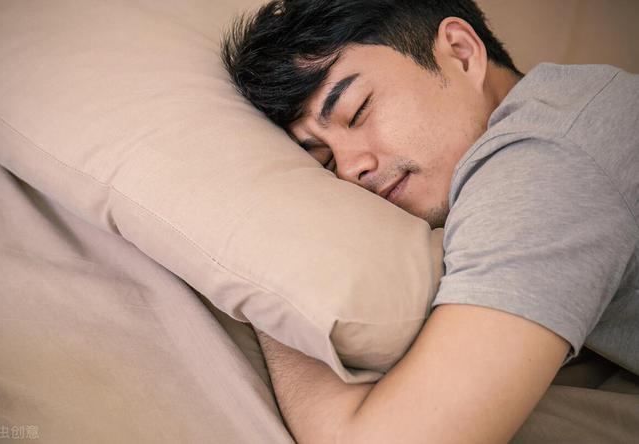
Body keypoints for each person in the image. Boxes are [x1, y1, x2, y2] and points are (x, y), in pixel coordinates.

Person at [220, 0, 639, 442]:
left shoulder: (545, 162)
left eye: (358, 111)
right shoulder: (575, 107)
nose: (349, 168)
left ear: (461, 52)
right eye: (325, 159)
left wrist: (270, 290)